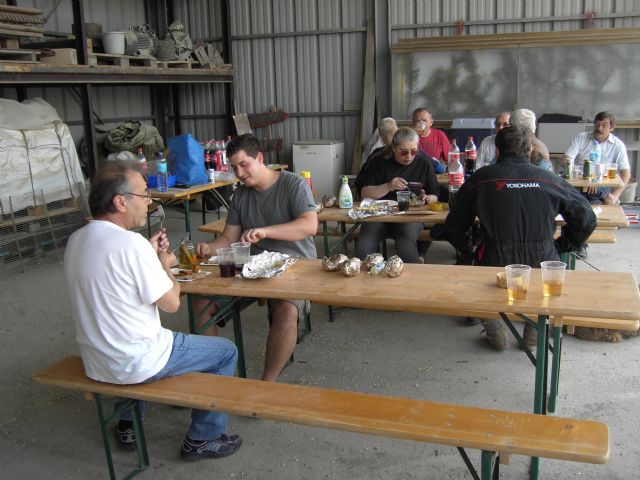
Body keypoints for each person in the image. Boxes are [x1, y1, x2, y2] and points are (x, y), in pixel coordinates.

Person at [64, 161, 242, 461]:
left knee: (129, 336)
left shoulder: (77, 239)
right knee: (225, 352)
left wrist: (148, 253)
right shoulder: (131, 245)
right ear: (120, 202)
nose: (149, 202)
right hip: (135, 363)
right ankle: (204, 438)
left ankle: (128, 423)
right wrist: (163, 264)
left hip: (96, 360)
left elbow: (115, 271)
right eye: (144, 195)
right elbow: (172, 303)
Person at [444, 126, 596, 351]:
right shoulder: (549, 179)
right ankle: (535, 327)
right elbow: (587, 219)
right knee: (544, 283)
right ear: (531, 149)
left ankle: (492, 319)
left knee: (475, 271)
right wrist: (563, 245)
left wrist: (468, 248)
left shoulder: (481, 178)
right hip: (542, 260)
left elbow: (454, 224)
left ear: (497, 151)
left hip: (494, 260)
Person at [195, 134, 318, 382]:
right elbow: (228, 239)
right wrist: (208, 248)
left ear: (259, 158)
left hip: (295, 265)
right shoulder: (241, 196)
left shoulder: (293, 184)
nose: (239, 173)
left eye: (244, 165)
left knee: (286, 310)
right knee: (201, 302)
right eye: (234, 167)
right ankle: (212, 377)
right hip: (252, 267)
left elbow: (309, 225)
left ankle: (266, 384)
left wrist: (266, 231)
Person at [354, 127, 439, 264]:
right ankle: (362, 274)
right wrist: (388, 186)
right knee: (364, 246)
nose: (409, 156)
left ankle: (410, 275)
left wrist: (427, 198)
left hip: (410, 215)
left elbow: (435, 193)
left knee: (406, 245)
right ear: (393, 148)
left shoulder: (423, 162)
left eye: (414, 151)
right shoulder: (378, 160)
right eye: (404, 152)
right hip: (379, 214)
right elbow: (364, 192)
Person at [562, 111, 631, 205]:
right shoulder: (581, 137)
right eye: (597, 124)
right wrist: (585, 179)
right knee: (585, 199)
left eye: (604, 125)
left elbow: (626, 173)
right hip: (580, 181)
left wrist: (615, 195)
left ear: (611, 128)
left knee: (591, 201)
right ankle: (597, 199)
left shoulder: (618, 145)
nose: (599, 128)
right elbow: (565, 160)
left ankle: (593, 200)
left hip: (602, 184)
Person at [412, 107, 450, 174]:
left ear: (431, 122)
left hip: (433, 172)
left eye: (424, 121)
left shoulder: (439, 135)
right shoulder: (408, 137)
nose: (421, 123)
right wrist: (413, 136)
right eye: (417, 121)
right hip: (414, 173)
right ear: (413, 123)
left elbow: (450, 159)